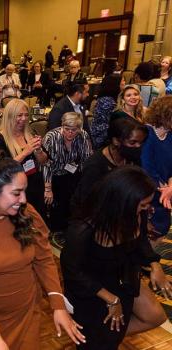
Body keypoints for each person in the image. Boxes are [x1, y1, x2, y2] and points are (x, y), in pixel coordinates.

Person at [0, 157, 84, 350]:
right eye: (16, 193)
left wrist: (58, 304)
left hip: (26, 313)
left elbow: (44, 260)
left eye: (24, 191)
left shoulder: (27, 214)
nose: (24, 200)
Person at [61, 166, 169, 350]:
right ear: (123, 201)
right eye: (143, 205)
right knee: (103, 339)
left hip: (122, 281)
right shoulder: (84, 229)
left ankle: (101, 339)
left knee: (112, 335)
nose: (146, 209)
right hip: (91, 291)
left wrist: (154, 264)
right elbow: (73, 273)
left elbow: (140, 241)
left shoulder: (136, 214)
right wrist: (111, 299)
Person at [71, 118, 148, 213]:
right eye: (133, 142)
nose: (138, 146)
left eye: (141, 142)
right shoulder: (95, 166)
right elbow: (87, 203)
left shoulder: (132, 158)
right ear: (116, 140)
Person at [0, 99, 49, 220]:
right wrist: (25, 152)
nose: (23, 119)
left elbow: (44, 161)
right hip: (15, 189)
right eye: (19, 115)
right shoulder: (0, 139)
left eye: (26, 115)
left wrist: (39, 150)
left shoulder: (30, 132)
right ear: (10, 116)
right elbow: (2, 168)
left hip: (35, 184)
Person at [42, 112, 92, 232]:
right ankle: (56, 231)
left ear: (79, 128)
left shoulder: (83, 135)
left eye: (74, 130)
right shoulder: (51, 137)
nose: (70, 133)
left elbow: (86, 160)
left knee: (75, 203)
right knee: (58, 207)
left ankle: (70, 230)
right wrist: (48, 189)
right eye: (67, 129)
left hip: (73, 173)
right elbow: (46, 164)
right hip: (54, 174)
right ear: (62, 126)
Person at [141, 96, 172, 242]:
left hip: (165, 188)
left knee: (162, 227)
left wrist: (170, 187)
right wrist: (164, 188)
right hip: (148, 189)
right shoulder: (147, 133)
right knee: (150, 231)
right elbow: (146, 167)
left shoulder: (169, 134)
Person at [90, 74, 124, 149]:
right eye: (123, 81)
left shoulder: (110, 98)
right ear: (116, 85)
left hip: (104, 133)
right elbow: (109, 123)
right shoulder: (107, 102)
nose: (124, 83)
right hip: (101, 137)